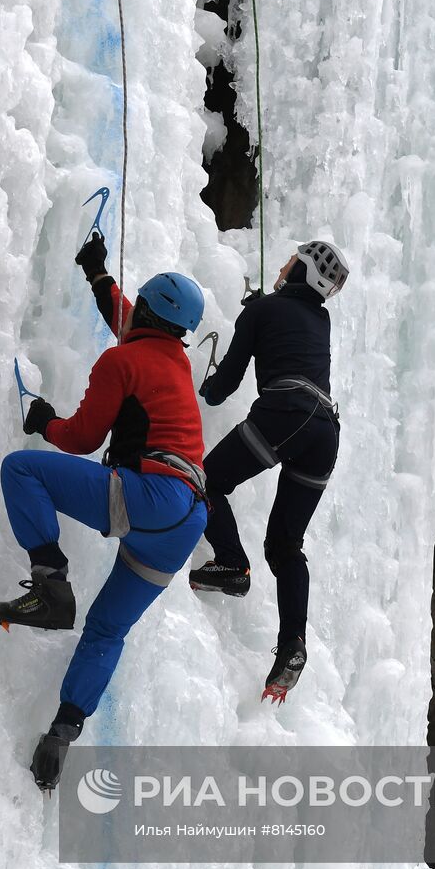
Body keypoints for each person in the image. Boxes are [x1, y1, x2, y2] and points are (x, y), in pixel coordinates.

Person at [0, 232, 208, 791]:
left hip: (150, 495)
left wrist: (44, 422)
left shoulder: (121, 362)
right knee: (106, 630)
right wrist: (97, 274)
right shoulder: (173, 360)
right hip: (184, 521)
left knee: (22, 469)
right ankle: (62, 732)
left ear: (150, 311)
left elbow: (82, 439)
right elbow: (132, 322)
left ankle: (50, 584)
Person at [189, 240, 349, 703]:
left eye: (291, 261)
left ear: (301, 270)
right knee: (284, 546)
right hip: (325, 433)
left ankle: (232, 563)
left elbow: (224, 389)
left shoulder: (262, 311)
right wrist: (259, 313)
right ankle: (292, 647)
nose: (283, 265)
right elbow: (288, 327)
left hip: (287, 412)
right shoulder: (321, 317)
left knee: (207, 480)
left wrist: (209, 381)